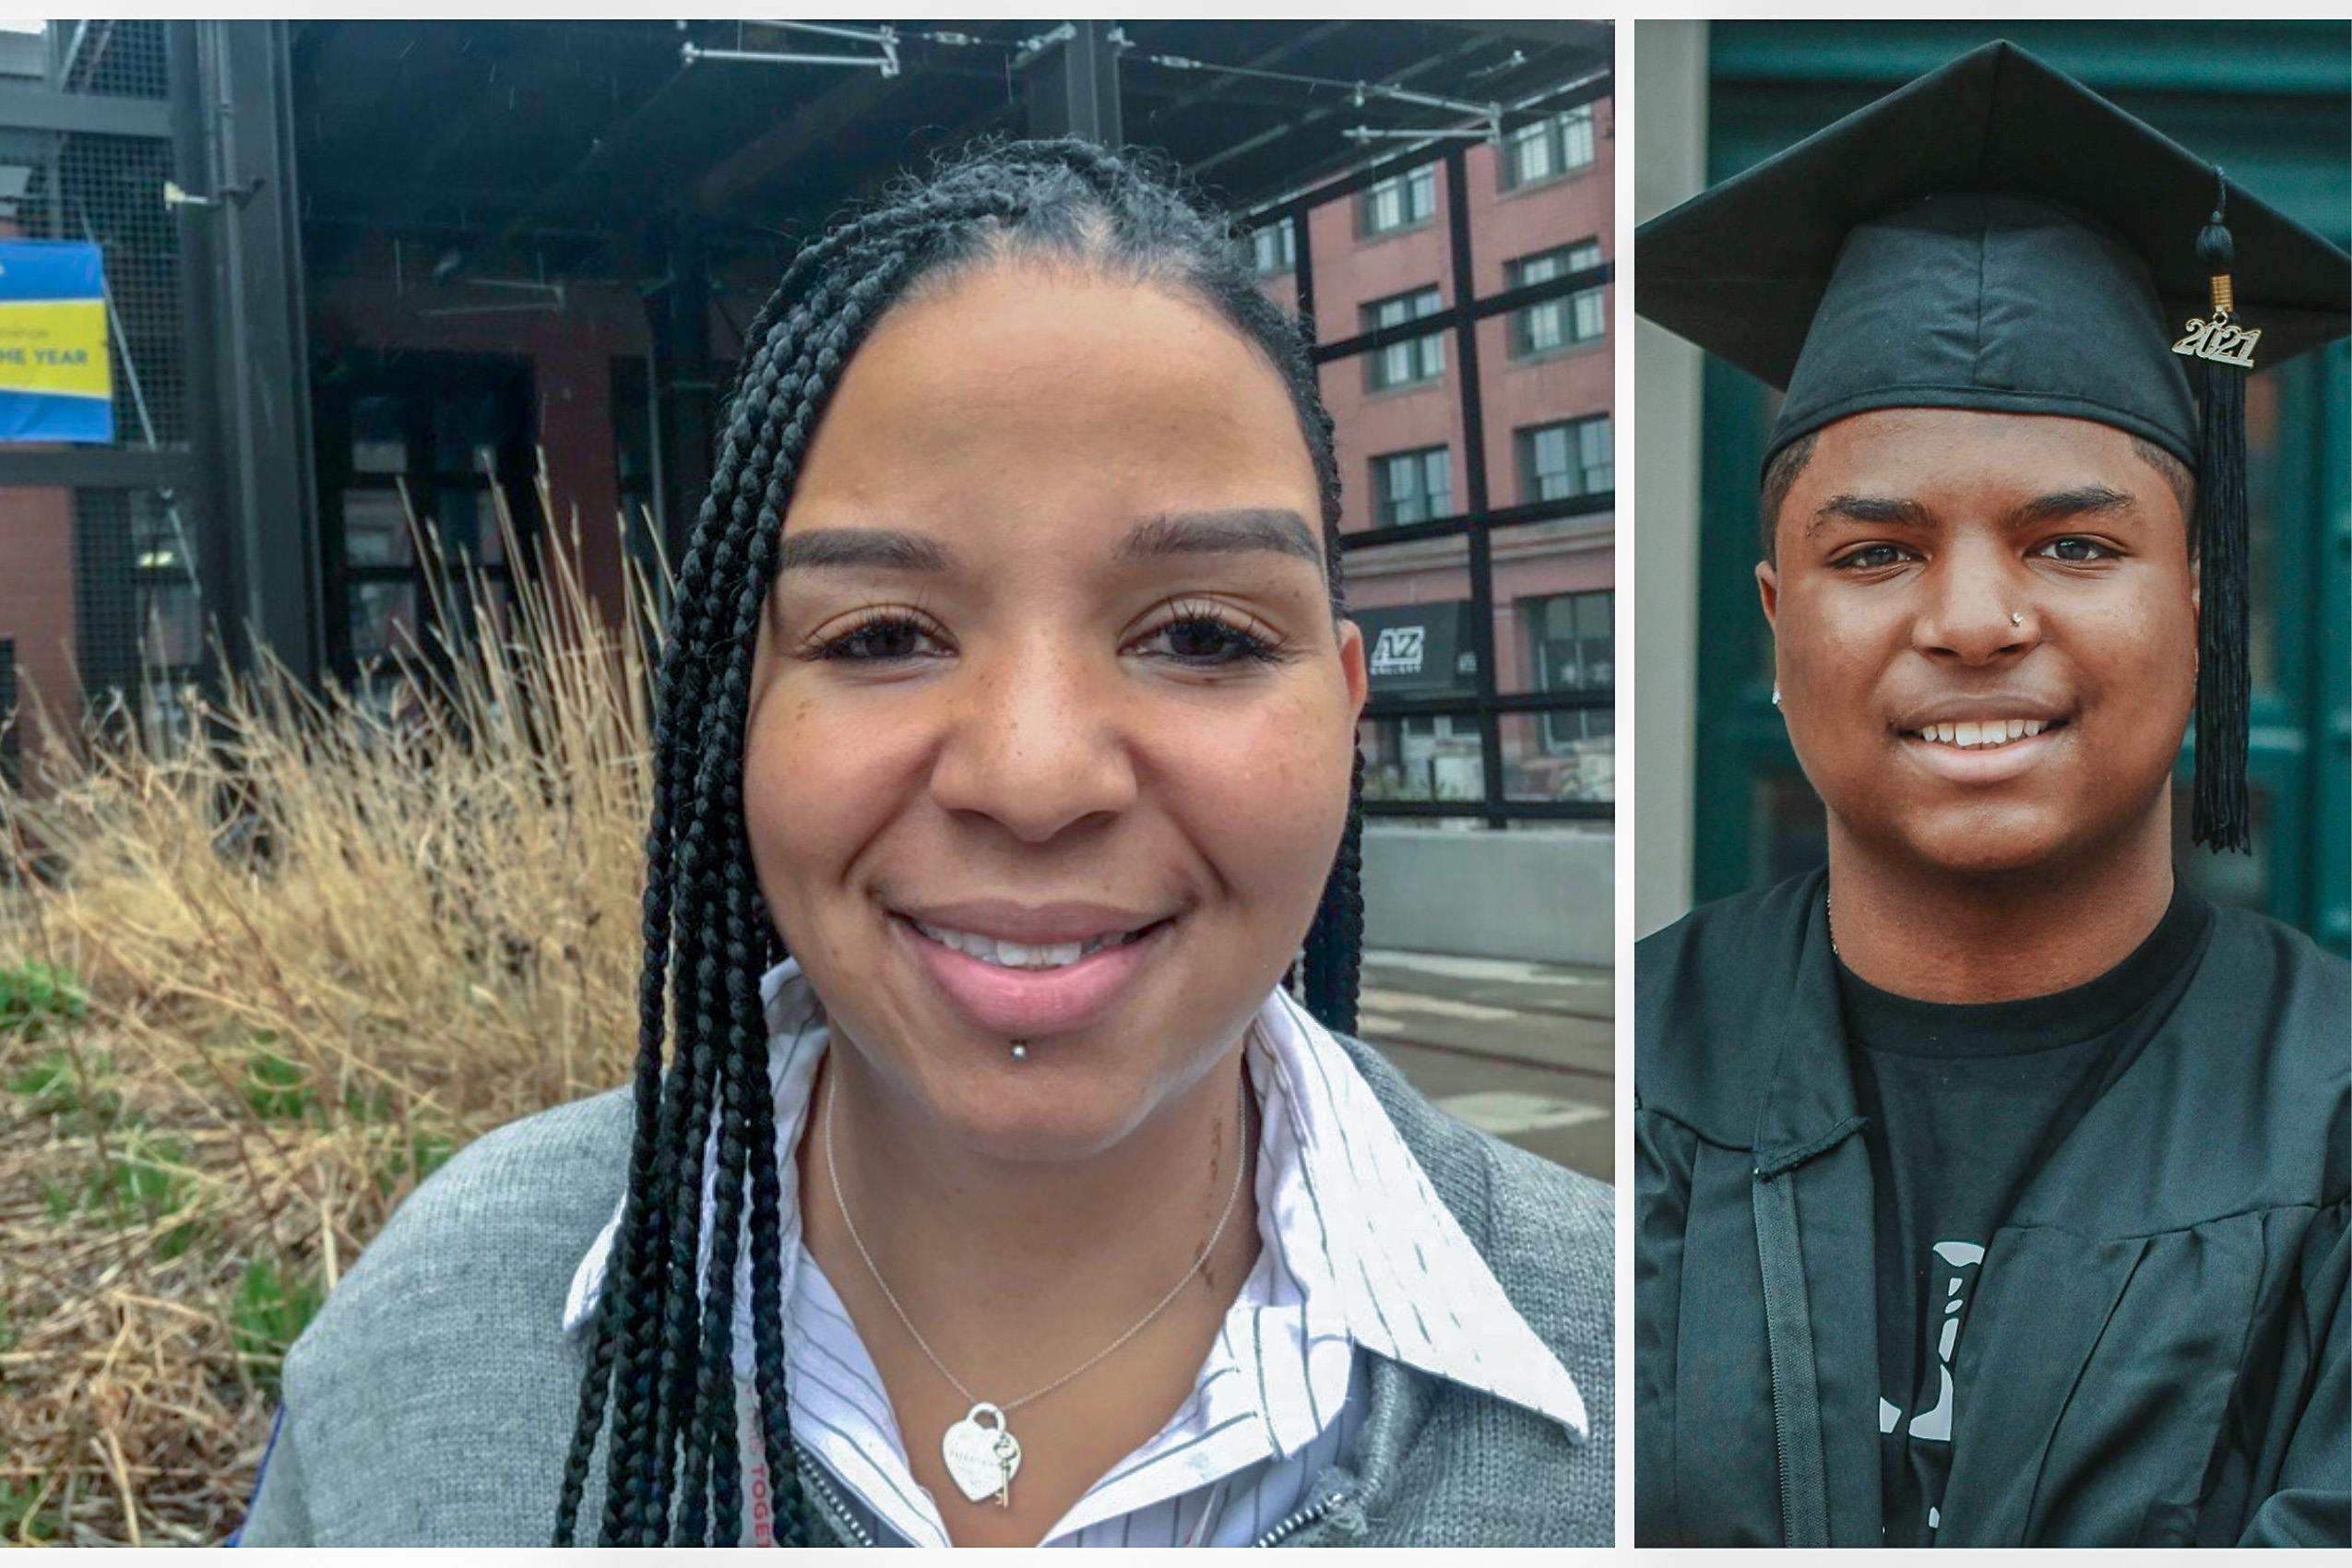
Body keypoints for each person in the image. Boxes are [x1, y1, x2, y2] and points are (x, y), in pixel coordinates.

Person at [230, 140, 1612, 1548]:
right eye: (882, 636)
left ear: (1345, 705)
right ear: (739, 711)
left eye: (1199, 635)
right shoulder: (434, 1337)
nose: (1030, 776)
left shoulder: (1647, 1368)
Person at [1633, 42, 2348, 1548]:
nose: (1970, 621)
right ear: (1773, 619)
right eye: (1873, 553)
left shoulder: (2332, 1116)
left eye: (2073, 548)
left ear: (2205, 613)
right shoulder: (1630, 1070)